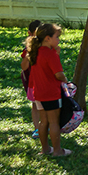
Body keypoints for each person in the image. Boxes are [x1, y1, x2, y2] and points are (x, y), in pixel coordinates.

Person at [27, 22, 72, 157]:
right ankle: (57, 151)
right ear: (47, 38)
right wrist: (66, 80)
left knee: (43, 121)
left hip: (39, 93)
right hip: (51, 93)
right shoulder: (50, 54)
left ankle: (45, 149)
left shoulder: (35, 52)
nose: (58, 40)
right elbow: (58, 74)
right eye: (57, 37)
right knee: (54, 122)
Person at [21, 19, 42, 138]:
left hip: (45, 80)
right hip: (32, 80)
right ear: (30, 34)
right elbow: (24, 67)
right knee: (35, 104)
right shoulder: (28, 50)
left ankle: (46, 126)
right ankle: (37, 128)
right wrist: (28, 55)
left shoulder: (47, 47)